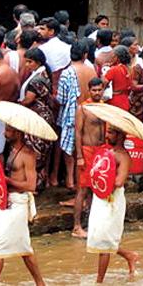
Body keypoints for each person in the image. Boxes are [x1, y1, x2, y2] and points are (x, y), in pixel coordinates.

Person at [0, 124, 45, 286]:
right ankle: (40, 284)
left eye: (8, 130)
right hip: (7, 203)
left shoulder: (28, 155)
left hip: (18, 206)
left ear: (18, 133)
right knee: (24, 249)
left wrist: (8, 181)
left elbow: (31, 185)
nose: (4, 133)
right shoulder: (11, 151)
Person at [87, 126, 138, 282]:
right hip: (100, 198)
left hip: (112, 200)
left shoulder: (123, 157)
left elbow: (119, 181)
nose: (107, 135)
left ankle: (99, 281)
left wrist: (106, 174)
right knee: (98, 236)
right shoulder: (106, 152)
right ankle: (129, 255)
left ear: (120, 135)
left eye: (111, 133)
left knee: (104, 240)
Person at [72, 77, 106, 238]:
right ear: (89, 90)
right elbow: (77, 132)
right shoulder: (83, 108)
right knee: (82, 190)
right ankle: (77, 226)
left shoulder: (105, 107)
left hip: (101, 151)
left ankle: (92, 223)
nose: (97, 93)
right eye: (94, 90)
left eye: (100, 90)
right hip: (86, 151)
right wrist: (79, 155)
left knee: (96, 189)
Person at [56, 41, 92, 189]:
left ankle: (71, 179)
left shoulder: (67, 72)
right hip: (89, 112)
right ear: (85, 55)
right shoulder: (92, 70)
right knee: (83, 149)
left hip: (72, 115)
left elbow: (61, 99)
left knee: (70, 149)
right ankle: (80, 181)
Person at [103, 46, 133, 112]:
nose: (111, 58)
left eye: (112, 56)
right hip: (126, 101)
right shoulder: (130, 69)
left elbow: (104, 83)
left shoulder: (114, 69)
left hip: (114, 102)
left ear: (117, 57)